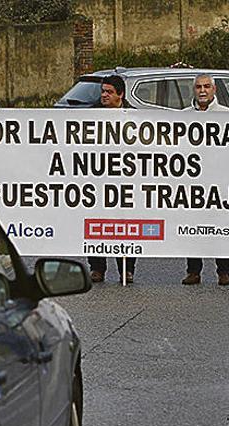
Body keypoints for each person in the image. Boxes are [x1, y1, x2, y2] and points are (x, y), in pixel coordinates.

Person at [180, 74, 229, 286]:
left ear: (214, 90)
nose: (202, 91)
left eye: (207, 87)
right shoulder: (183, 116)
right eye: (198, 87)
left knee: (219, 227)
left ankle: (224, 271)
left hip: (218, 181)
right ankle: (193, 271)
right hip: (192, 183)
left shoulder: (226, 115)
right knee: (193, 227)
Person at [87, 75, 136, 284]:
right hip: (98, 179)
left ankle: (127, 268)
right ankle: (97, 267)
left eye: (109, 92)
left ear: (120, 94)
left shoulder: (133, 116)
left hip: (125, 179)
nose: (105, 95)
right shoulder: (92, 114)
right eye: (103, 91)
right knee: (96, 223)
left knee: (126, 223)